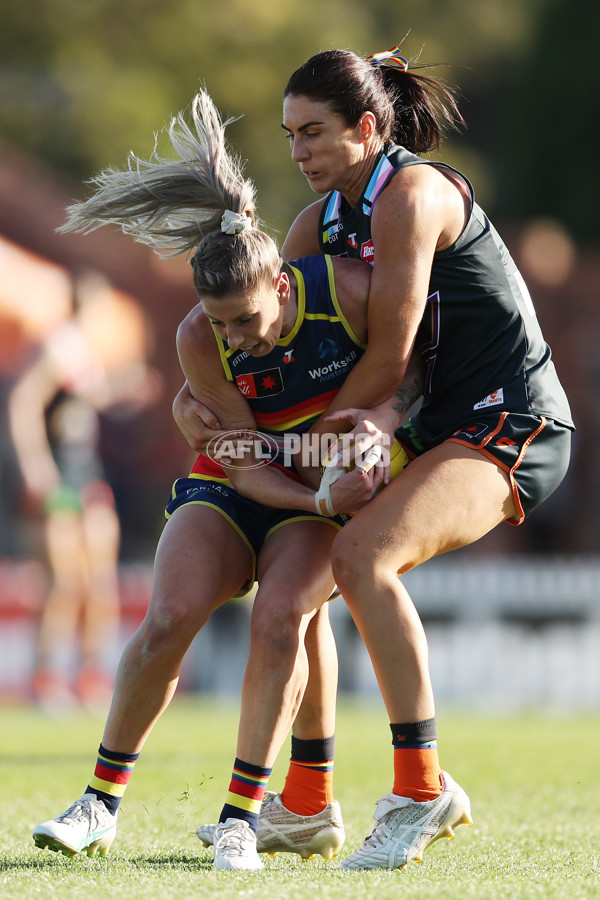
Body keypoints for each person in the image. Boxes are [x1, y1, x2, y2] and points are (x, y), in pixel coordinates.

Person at [180, 47, 574, 871]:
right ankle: (306, 803)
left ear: (367, 128)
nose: (299, 152)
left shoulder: (415, 194)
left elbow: (391, 359)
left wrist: (291, 447)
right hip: (422, 428)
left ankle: (422, 789)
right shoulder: (313, 225)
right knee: (306, 572)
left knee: (362, 555)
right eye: (290, 136)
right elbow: (270, 347)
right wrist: (208, 411)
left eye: (314, 132)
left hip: (509, 421)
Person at [31, 90, 416, 871]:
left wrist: (377, 434)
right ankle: (99, 803)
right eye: (219, 323)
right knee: (169, 615)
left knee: (281, 620)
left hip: (314, 500)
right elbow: (251, 463)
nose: (235, 340)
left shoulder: (346, 292)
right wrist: (313, 487)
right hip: (257, 486)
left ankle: (242, 816)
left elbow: (408, 374)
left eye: (245, 321)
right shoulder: (196, 339)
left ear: (282, 286)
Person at [8, 274, 153, 714]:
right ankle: (47, 677)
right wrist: (34, 467)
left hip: (87, 474)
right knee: (65, 583)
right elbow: (22, 406)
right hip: (60, 476)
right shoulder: (55, 347)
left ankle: (93, 676)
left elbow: (86, 402)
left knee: (100, 583)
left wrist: (122, 393)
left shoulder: (85, 353)